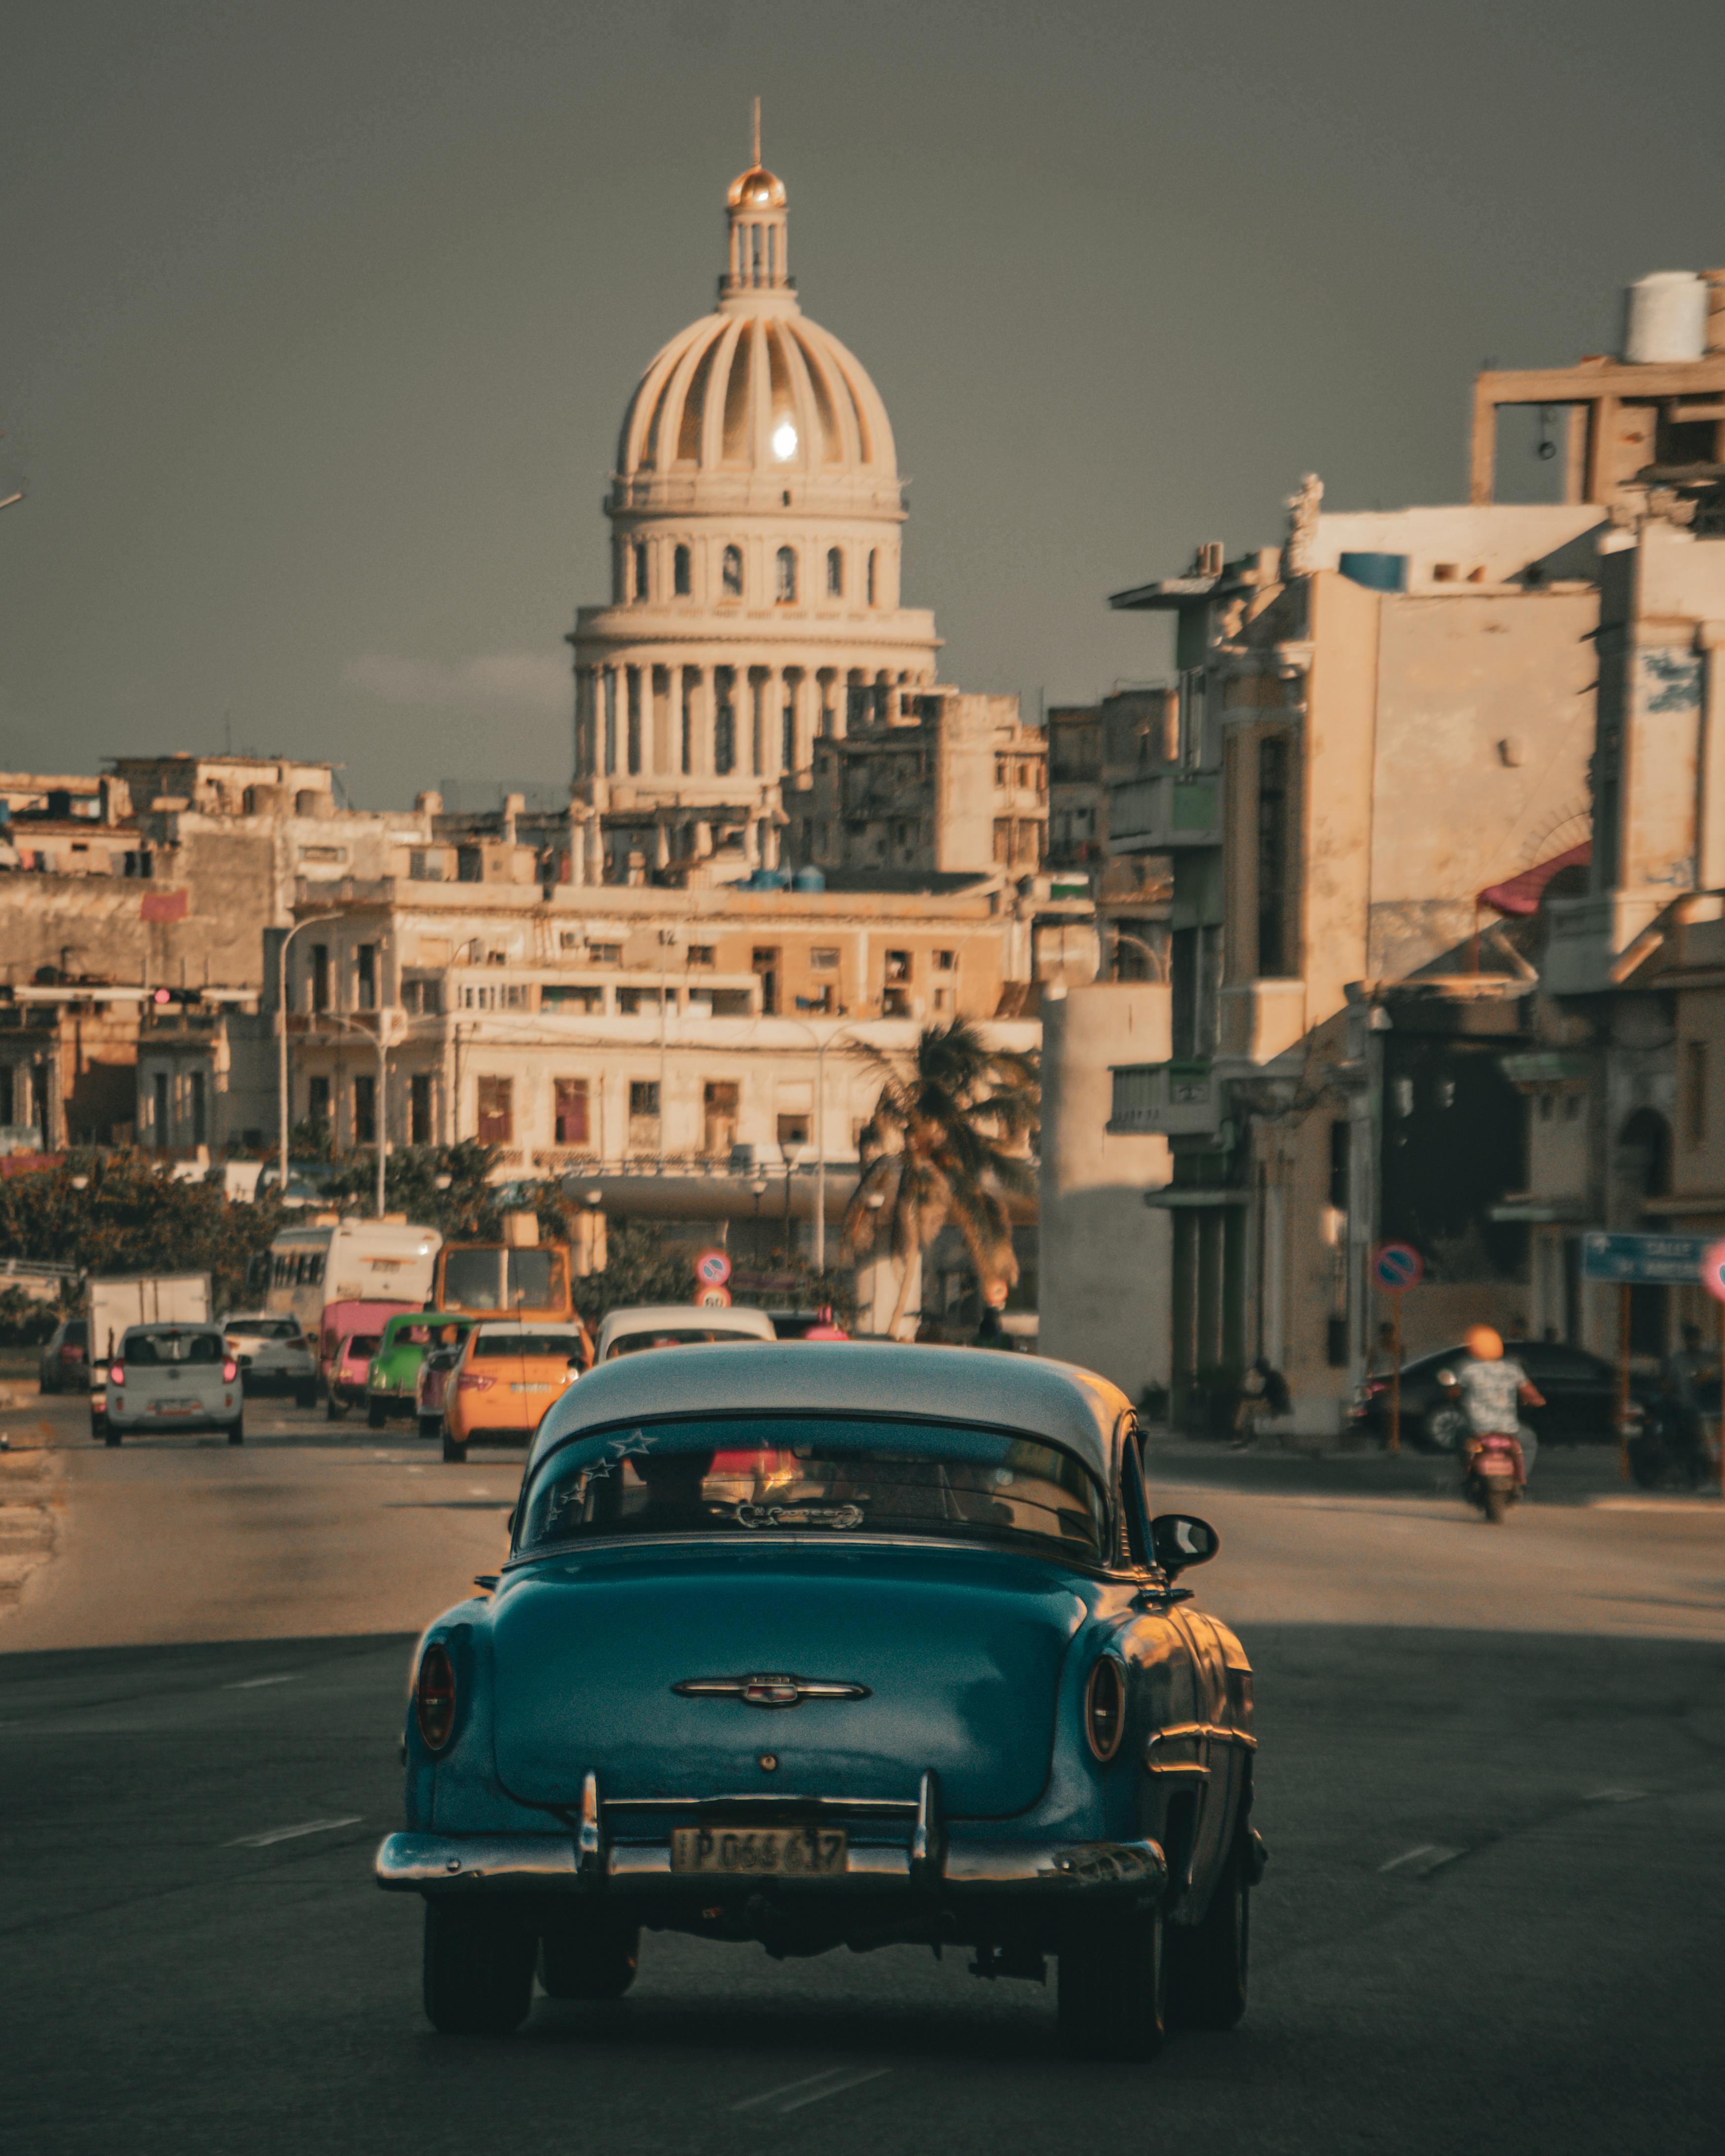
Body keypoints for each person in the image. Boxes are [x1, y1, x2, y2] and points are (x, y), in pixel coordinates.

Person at [1453, 1324, 1542, 1489]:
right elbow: (1531, 1394)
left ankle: (1466, 1474)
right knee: (1529, 1442)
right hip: (1508, 1428)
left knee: (1459, 1436)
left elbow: (1454, 1392)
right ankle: (1521, 1480)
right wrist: (1537, 1401)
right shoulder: (1512, 1368)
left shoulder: (1465, 1367)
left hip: (1476, 1427)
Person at [1232, 1355, 1292, 1449]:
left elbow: (1261, 1396)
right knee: (1249, 1409)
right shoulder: (1274, 1376)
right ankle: (1246, 1436)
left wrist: (1246, 1395)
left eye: (1258, 1370)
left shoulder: (1271, 1378)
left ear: (1263, 1368)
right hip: (1277, 1406)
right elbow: (1265, 1396)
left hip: (1275, 1408)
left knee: (1246, 1406)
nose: (1258, 1372)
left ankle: (1240, 1433)